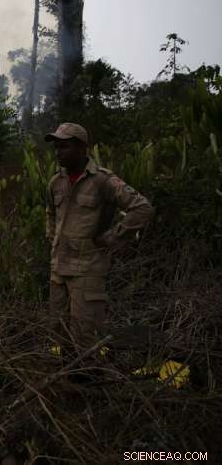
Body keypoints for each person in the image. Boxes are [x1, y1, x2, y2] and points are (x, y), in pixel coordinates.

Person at [45, 122, 154, 351]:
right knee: (58, 333)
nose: (58, 152)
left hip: (87, 270)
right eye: (56, 147)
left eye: (64, 147)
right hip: (58, 270)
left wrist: (113, 237)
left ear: (82, 148)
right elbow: (50, 213)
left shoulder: (102, 181)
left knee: (85, 338)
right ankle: (65, 382)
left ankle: (89, 382)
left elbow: (142, 208)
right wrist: (52, 239)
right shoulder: (56, 182)